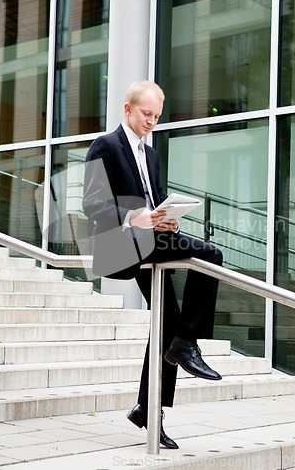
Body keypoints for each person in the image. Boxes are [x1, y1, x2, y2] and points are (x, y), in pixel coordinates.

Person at [83, 80, 223, 449]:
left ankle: (149, 410)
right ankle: (187, 342)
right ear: (127, 110)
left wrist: (166, 217)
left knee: (166, 327)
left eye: (157, 116)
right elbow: (93, 205)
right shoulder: (105, 146)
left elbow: (156, 200)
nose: (152, 122)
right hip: (121, 244)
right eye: (147, 114)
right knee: (210, 255)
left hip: (152, 240)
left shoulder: (152, 154)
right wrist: (135, 217)